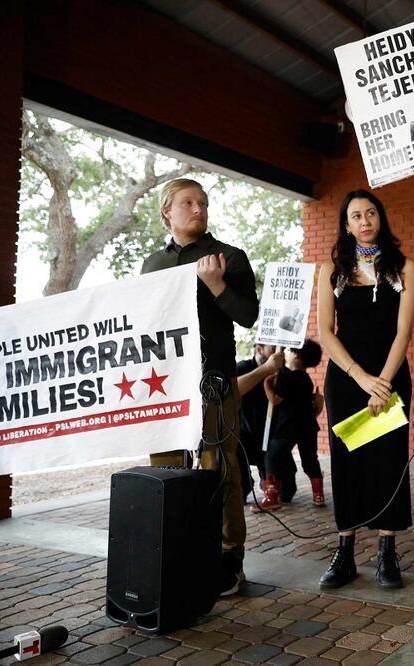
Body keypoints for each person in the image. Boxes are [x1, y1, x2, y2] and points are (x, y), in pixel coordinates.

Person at [141, 178, 259, 597]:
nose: (198, 209)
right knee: (166, 469)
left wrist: (216, 286)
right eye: (188, 202)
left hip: (214, 382)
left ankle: (229, 557)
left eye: (203, 203)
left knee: (219, 468)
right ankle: (175, 549)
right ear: (166, 212)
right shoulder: (152, 265)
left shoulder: (228, 256)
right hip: (166, 385)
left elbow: (247, 315)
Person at [316, 189, 414, 591]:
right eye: (356, 215)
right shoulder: (331, 270)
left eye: (370, 213)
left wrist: (383, 384)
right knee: (347, 462)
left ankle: (387, 552)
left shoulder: (403, 268)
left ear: (381, 218)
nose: (364, 221)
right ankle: (345, 552)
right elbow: (326, 332)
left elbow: (403, 332)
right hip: (347, 378)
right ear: (346, 224)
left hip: (390, 376)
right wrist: (361, 378)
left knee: (388, 461)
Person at [254, 339, 326, 511]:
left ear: (298, 357)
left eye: (292, 352)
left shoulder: (289, 377)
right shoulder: (306, 379)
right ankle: (318, 495)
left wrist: (266, 385)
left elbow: (275, 399)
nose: (289, 355)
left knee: (271, 456)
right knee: (310, 459)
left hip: (289, 426)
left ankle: (271, 497)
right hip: (308, 425)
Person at [236, 344, 284, 499]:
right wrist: (266, 369)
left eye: (281, 351)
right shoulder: (243, 367)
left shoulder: (282, 373)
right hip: (243, 436)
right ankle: (245, 483)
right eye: (273, 350)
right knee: (240, 493)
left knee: (285, 493)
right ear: (259, 350)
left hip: (269, 438)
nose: (277, 354)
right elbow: (234, 389)